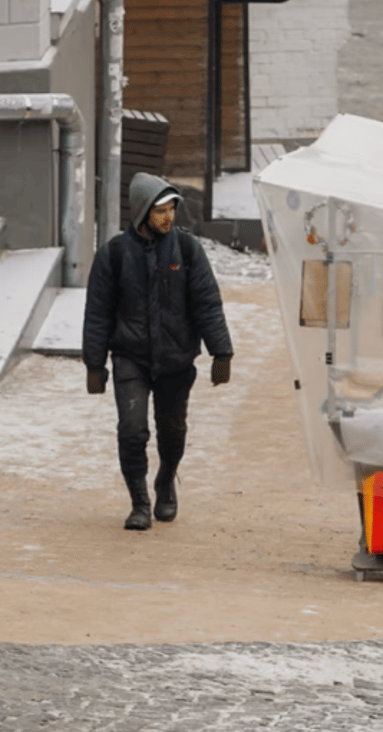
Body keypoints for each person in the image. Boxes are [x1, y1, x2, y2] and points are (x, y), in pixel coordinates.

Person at [82, 172, 234, 531]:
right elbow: (98, 312)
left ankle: (166, 480)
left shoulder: (187, 249)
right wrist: (94, 364)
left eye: (172, 209)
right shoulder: (114, 255)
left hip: (176, 359)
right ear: (141, 212)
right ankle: (139, 502)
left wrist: (221, 352)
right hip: (129, 356)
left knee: (172, 430)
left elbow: (207, 303)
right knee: (132, 431)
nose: (168, 217)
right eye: (160, 211)